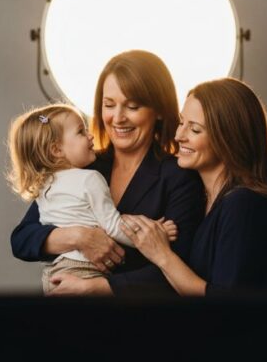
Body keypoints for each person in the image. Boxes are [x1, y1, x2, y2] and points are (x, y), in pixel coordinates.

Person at [10, 50, 204, 295]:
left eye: (132, 106)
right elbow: (22, 239)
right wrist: (79, 237)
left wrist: (98, 287)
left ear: (158, 110)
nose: (118, 118)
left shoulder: (179, 177)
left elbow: (181, 269)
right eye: (109, 105)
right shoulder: (82, 164)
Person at [121, 78, 267, 296]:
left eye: (195, 130)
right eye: (182, 123)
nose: (179, 136)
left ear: (227, 137)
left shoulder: (244, 204)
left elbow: (228, 307)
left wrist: (162, 254)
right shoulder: (204, 199)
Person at [6, 103, 178, 294]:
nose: (90, 136)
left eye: (132, 106)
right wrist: (155, 233)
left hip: (55, 274)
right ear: (56, 150)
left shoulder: (45, 185)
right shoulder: (90, 176)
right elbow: (21, 239)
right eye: (81, 132)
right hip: (83, 271)